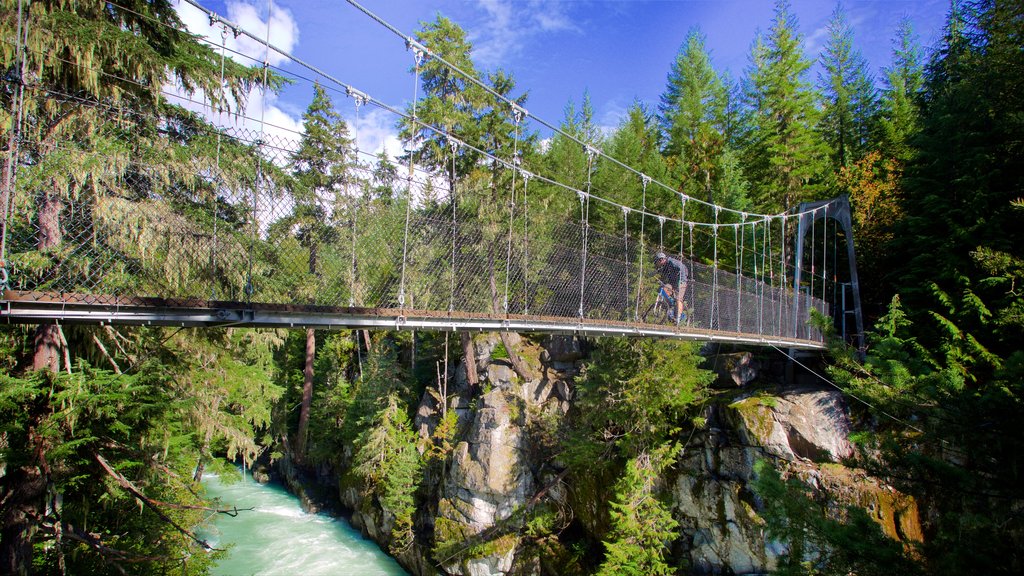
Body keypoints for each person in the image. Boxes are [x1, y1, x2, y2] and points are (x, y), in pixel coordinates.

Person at [653, 251, 687, 323]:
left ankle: (678, 317)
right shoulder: (665, 266)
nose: (657, 264)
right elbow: (663, 274)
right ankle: (671, 306)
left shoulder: (672, 262)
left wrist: (681, 279)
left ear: (661, 260)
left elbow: (682, 268)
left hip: (681, 281)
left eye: (657, 262)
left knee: (678, 298)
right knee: (663, 289)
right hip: (673, 282)